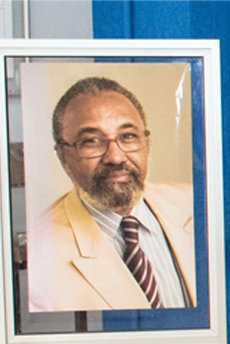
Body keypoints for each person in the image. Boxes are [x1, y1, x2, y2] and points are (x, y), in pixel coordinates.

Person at [28, 76, 195, 312]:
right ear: (63, 156)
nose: (115, 157)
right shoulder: (40, 259)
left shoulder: (194, 205)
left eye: (128, 136)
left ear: (146, 143)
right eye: (92, 141)